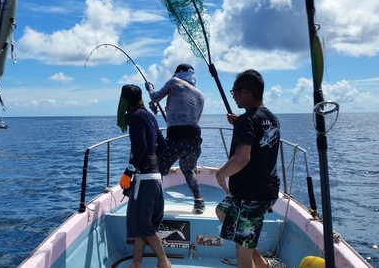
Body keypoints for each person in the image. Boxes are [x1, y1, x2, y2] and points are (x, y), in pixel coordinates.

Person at [214, 69, 283, 268]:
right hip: (264, 190)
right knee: (223, 212)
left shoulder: (247, 121)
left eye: (234, 91)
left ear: (245, 91)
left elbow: (241, 159)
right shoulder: (271, 118)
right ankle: (261, 263)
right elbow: (259, 134)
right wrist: (240, 122)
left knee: (242, 259)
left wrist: (220, 175)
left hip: (251, 195)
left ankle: (254, 263)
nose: (233, 95)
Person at [117, 84, 171, 268]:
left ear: (125, 101)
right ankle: (136, 263)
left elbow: (140, 146)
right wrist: (154, 166)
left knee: (143, 224)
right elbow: (163, 146)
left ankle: (164, 262)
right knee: (145, 224)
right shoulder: (150, 116)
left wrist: (128, 171)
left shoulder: (136, 116)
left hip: (144, 179)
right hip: (155, 179)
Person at [145, 63, 206, 214]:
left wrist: (150, 87)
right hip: (195, 141)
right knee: (188, 169)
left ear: (177, 73)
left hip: (177, 138)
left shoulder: (174, 82)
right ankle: (199, 201)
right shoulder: (200, 95)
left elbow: (154, 97)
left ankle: (154, 204)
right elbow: (194, 118)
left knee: (157, 169)